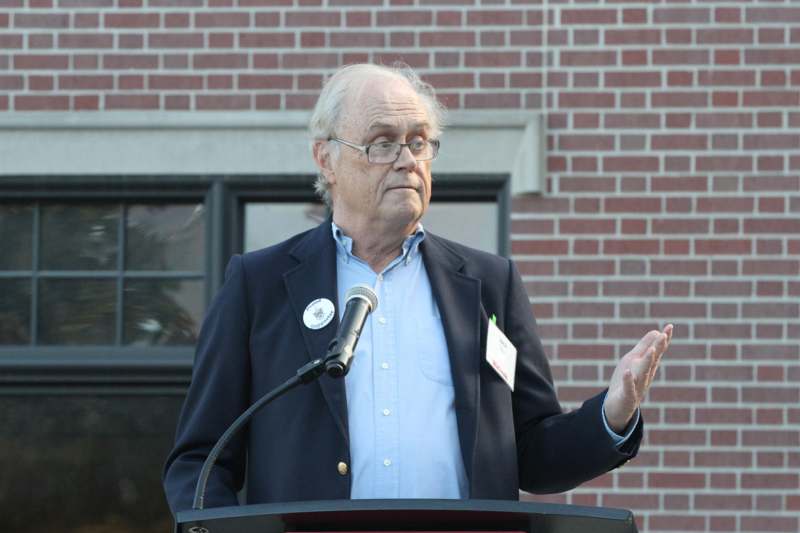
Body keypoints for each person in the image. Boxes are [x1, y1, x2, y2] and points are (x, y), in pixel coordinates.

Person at [163, 63, 673, 514]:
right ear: (326, 159)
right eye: (382, 141)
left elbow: (533, 455)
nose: (407, 159)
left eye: (419, 141)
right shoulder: (260, 285)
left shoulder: (488, 285)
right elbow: (202, 460)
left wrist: (612, 412)